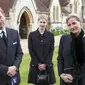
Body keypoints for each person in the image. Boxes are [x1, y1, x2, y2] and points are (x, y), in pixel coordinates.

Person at [28, 14, 56, 85]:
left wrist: (45, 64)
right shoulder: (31, 35)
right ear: (38, 22)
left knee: (48, 83)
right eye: (41, 22)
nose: (42, 24)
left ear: (46, 23)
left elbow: (51, 50)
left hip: (47, 64)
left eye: (44, 22)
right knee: (37, 82)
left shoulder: (50, 35)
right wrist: (38, 63)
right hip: (35, 64)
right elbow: (31, 50)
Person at [57, 14, 85, 85]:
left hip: (82, 79)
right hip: (65, 78)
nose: (72, 27)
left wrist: (74, 76)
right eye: (69, 25)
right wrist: (61, 74)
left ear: (80, 22)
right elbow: (60, 58)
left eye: (74, 23)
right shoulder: (64, 38)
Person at [0, 7, 23, 85]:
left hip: (14, 78)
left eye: (0, 17)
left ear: (4, 15)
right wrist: (6, 69)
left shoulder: (14, 33)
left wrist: (15, 67)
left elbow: (19, 53)